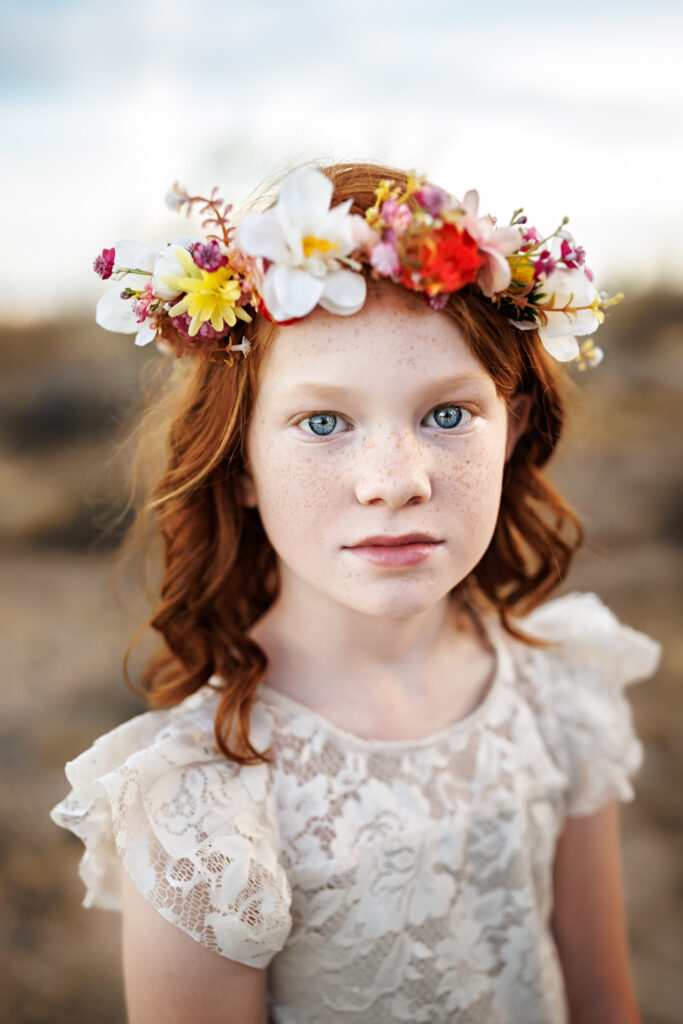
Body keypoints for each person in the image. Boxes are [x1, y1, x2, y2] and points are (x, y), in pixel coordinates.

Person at [51, 161, 661, 1024]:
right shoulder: (205, 804)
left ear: (512, 425)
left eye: (446, 414)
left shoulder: (559, 687)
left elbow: (604, 1001)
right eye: (323, 422)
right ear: (242, 460)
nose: (392, 482)